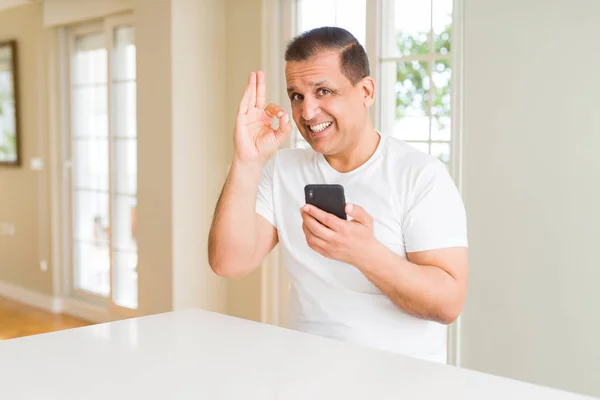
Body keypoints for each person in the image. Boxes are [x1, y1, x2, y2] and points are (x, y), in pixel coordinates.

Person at [208, 26, 468, 363]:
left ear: (366, 91)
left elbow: (447, 304)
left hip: (403, 383)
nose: (307, 111)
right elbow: (228, 262)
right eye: (296, 95)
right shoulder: (282, 169)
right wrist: (246, 160)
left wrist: (363, 253)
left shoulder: (420, 175)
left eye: (323, 91)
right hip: (307, 374)